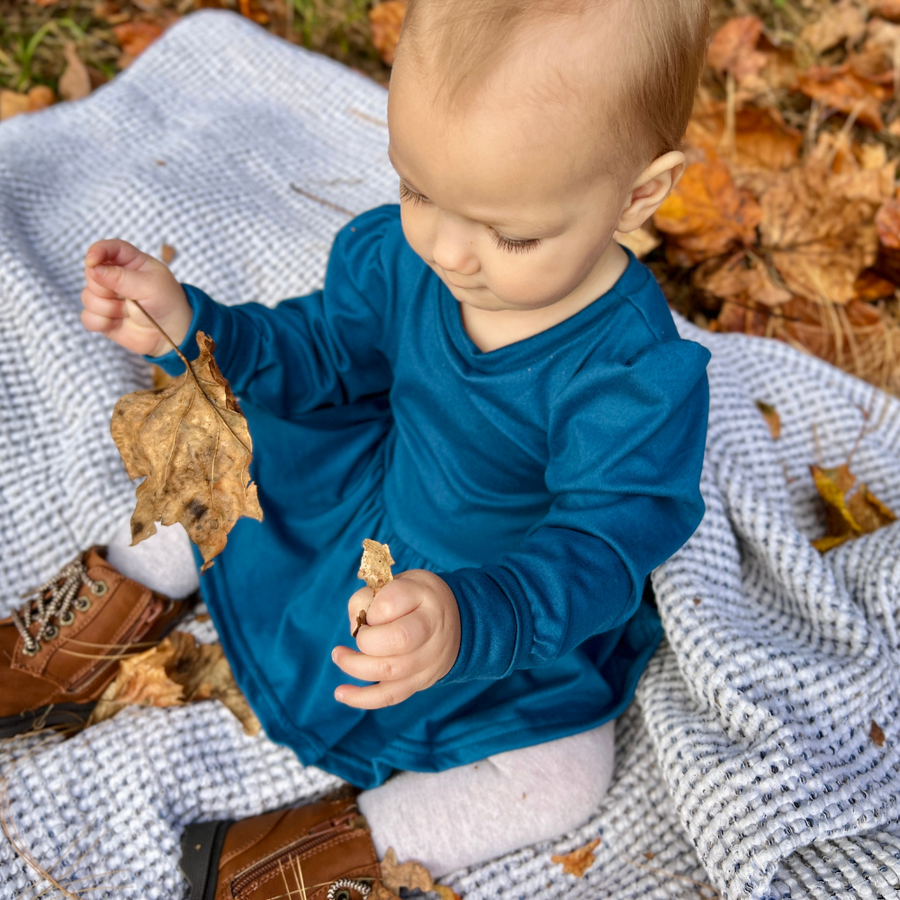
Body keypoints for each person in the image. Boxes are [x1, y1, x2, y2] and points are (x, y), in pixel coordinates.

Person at [2, 0, 711, 893]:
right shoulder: (407, 257)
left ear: (640, 192)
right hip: (357, 493)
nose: (447, 248)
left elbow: (604, 546)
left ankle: (331, 844)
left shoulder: (633, 377)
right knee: (233, 455)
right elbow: (322, 353)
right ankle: (131, 586)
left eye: (511, 233)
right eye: (417, 189)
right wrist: (193, 323)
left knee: (563, 778)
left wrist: (471, 620)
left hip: (492, 595)